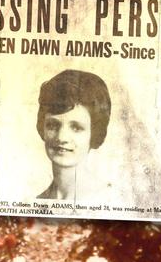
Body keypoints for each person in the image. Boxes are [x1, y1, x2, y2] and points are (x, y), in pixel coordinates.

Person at [35, 69, 111, 200]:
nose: (61, 137)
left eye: (76, 128)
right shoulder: (37, 201)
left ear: (94, 133)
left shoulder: (107, 199)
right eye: (53, 125)